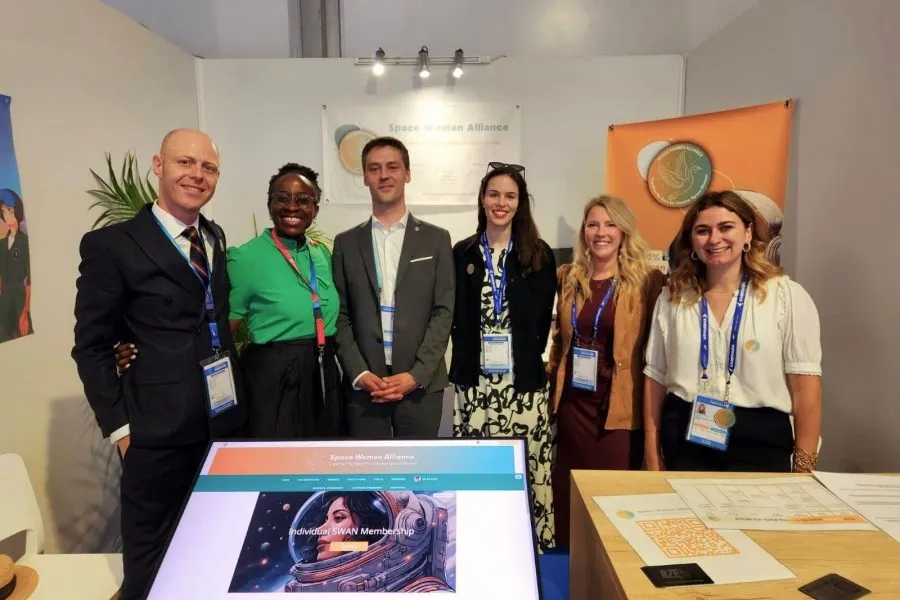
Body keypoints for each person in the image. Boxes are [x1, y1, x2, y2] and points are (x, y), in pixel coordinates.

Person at [72, 128, 246, 600]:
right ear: (158, 165)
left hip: (220, 423)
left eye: (208, 167)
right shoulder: (113, 245)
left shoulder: (213, 235)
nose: (197, 175)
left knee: (211, 550)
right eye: (185, 163)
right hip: (155, 434)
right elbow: (90, 347)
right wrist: (122, 431)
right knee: (151, 566)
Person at [114, 164, 342, 438]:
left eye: (303, 200)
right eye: (282, 198)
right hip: (274, 373)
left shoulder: (323, 255)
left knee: (323, 461)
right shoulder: (244, 258)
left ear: (315, 209)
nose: (292, 207)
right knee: (277, 467)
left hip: (323, 369)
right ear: (270, 205)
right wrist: (143, 350)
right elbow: (217, 329)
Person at [643, 190, 822, 473]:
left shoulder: (785, 296)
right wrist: (652, 456)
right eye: (703, 231)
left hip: (760, 443)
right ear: (692, 240)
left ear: (748, 233)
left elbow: (806, 390)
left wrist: (804, 467)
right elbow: (655, 379)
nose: (714, 239)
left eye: (726, 227)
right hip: (684, 440)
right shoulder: (673, 298)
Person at [448, 163, 556, 550]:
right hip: (475, 387)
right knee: (479, 468)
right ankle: (480, 546)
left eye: (510, 196)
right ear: (482, 198)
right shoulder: (461, 253)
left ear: (520, 203)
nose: (501, 202)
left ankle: (527, 547)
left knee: (525, 468)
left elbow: (548, 322)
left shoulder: (539, 256)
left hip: (523, 386)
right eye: (493, 194)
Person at [547, 195, 664, 547]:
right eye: (593, 224)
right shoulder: (568, 276)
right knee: (568, 503)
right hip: (572, 410)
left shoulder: (647, 281)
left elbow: (653, 352)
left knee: (612, 507)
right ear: (584, 231)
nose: (601, 232)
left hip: (617, 413)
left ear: (624, 231)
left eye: (610, 224)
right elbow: (559, 340)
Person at [332, 136, 454, 438]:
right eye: (374, 168)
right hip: (366, 388)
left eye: (392, 167)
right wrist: (359, 373)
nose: (384, 175)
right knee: (368, 479)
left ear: (407, 174)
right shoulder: (346, 243)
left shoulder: (436, 239)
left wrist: (416, 375)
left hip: (420, 387)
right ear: (364, 177)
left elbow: (443, 311)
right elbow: (340, 314)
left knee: (418, 477)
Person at [0, 188, 32, 342]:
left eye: (10, 210)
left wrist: (25, 312)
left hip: (20, 300)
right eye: (4, 211)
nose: (7, 215)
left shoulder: (24, 242)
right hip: (4, 301)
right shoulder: (1, 243)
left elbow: (29, 281)